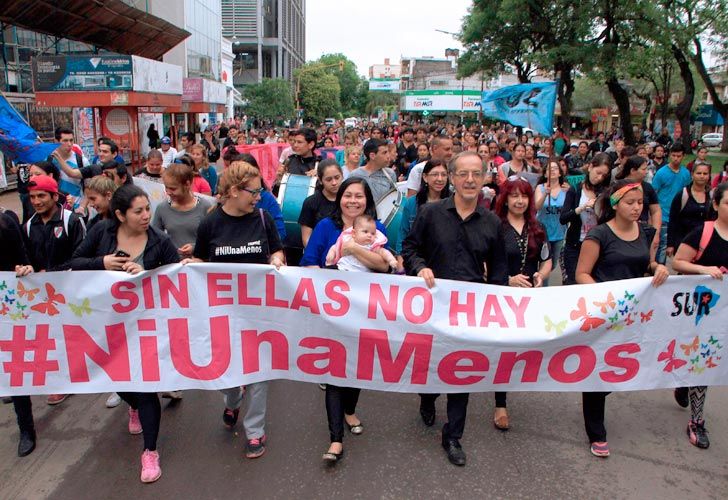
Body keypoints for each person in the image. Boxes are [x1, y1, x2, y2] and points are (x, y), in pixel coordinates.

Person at [68, 184, 180, 482]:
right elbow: (70, 265)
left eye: (148, 209)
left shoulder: (159, 241)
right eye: (138, 211)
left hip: (145, 329)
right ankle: (132, 406)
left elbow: (177, 280)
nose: (146, 216)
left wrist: (145, 276)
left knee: (146, 388)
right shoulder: (100, 233)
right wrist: (100, 263)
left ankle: (150, 452)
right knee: (117, 380)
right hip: (106, 328)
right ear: (119, 214)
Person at [402, 151, 508, 466]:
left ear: (486, 177)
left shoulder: (492, 223)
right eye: (463, 173)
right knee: (433, 368)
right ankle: (427, 396)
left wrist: (500, 314)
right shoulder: (429, 214)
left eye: (477, 173)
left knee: (462, 374)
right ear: (452, 177)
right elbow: (409, 248)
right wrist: (420, 267)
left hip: (470, 314)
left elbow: (499, 273)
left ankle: (453, 436)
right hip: (432, 310)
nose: (470, 180)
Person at [184, 161, 284, 460]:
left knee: (259, 374)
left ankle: (255, 431)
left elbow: (277, 250)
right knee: (225, 372)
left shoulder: (263, 219)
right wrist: (193, 266)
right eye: (254, 192)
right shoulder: (210, 223)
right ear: (233, 191)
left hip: (258, 314)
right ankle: (232, 398)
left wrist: (277, 261)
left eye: (260, 190)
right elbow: (202, 259)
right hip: (222, 314)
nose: (259, 197)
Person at [575, 180, 669, 458]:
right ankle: (596, 432)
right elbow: (582, 273)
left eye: (640, 203)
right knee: (599, 372)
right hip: (604, 315)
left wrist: (657, 267)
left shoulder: (646, 231)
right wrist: (606, 300)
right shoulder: (599, 235)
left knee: (623, 365)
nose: (637, 208)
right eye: (630, 203)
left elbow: (647, 262)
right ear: (616, 204)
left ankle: (596, 397)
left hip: (634, 315)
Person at [300, 178, 389, 463]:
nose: (353, 201)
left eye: (359, 197)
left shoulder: (377, 228)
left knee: (358, 368)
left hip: (366, 314)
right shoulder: (326, 227)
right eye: (347, 195)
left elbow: (385, 266)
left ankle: (350, 411)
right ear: (339, 198)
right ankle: (335, 439)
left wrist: (352, 250)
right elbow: (310, 262)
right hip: (333, 313)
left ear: (367, 201)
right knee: (336, 371)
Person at [491, 177, 551, 430]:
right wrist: (507, 279)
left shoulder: (538, 228)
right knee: (504, 348)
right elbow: (484, 264)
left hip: (529, 298)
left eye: (524, 196)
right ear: (505, 199)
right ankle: (500, 404)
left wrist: (541, 275)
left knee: (520, 347)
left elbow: (547, 260)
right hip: (501, 295)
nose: (519, 201)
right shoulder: (494, 227)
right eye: (514, 196)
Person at [671, 183, 728, 450]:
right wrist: (705, 269)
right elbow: (678, 263)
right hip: (700, 311)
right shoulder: (702, 233)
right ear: (716, 205)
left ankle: (686, 385)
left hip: (724, 313)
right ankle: (696, 421)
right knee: (702, 361)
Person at [2, 213, 36, 456]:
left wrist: (24, 269)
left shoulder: (7, 224)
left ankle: (26, 428)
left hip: (9, 302)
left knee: (15, 364)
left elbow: (24, 258)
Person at [559, 153, 611, 285]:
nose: (599, 178)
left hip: (596, 244)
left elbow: (609, 219)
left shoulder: (605, 193)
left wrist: (600, 207)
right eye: (598, 172)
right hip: (575, 244)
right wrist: (582, 207)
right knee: (572, 282)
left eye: (603, 176)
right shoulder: (575, 190)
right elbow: (563, 218)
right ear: (590, 167)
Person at [396, 159, 450, 257]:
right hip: (416, 258)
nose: (440, 179)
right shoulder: (412, 203)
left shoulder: (453, 202)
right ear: (425, 177)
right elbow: (403, 234)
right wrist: (400, 257)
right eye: (435, 174)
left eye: (443, 175)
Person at [652, 144, 691, 263]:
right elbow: (654, 192)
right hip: (663, 213)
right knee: (663, 244)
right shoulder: (661, 173)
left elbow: (687, 191)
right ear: (669, 155)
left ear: (683, 156)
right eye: (673, 155)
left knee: (677, 243)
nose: (676, 158)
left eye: (679, 156)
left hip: (678, 215)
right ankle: (660, 267)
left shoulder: (685, 173)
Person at [667, 163, 713, 256]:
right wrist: (670, 244)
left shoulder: (712, 196)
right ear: (692, 174)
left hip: (704, 243)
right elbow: (673, 220)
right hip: (683, 241)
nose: (702, 176)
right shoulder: (682, 195)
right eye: (699, 173)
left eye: (705, 173)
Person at [535, 158, 568, 286]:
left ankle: (541, 279)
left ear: (560, 173)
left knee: (552, 264)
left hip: (559, 232)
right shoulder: (540, 188)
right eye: (549, 169)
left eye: (555, 168)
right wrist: (545, 194)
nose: (552, 171)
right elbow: (536, 207)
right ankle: (542, 285)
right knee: (543, 262)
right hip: (542, 232)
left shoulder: (566, 190)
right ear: (544, 174)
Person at [325, 214, 397, 271]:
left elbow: (384, 252)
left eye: (373, 233)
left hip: (363, 275)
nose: (369, 235)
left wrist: (391, 260)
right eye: (365, 232)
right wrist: (331, 255)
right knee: (329, 272)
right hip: (343, 268)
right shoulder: (348, 239)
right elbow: (335, 247)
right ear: (354, 233)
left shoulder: (373, 246)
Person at [298, 159, 342, 248]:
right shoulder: (311, 202)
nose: (334, 183)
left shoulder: (348, 200)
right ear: (321, 180)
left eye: (337, 177)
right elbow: (306, 238)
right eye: (328, 179)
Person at [614, 155, 661, 228]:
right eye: (643, 169)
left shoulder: (648, 187)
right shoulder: (617, 186)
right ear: (632, 170)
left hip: (643, 228)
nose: (646, 172)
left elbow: (655, 211)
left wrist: (656, 232)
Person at [49, 127, 89, 207]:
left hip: (76, 208)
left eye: (71, 140)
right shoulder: (49, 160)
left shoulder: (81, 161)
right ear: (56, 141)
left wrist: (82, 207)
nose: (69, 144)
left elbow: (89, 187)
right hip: (56, 208)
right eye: (65, 141)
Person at [350, 138, 398, 203]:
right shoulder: (355, 175)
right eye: (384, 153)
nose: (388, 156)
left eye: (388, 152)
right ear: (372, 156)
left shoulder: (390, 174)